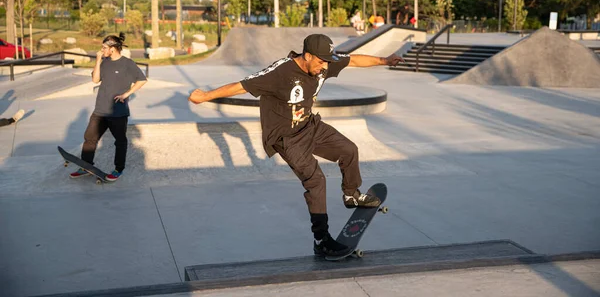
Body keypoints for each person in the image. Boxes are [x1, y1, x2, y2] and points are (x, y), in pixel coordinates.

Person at [188, 34, 405, 258]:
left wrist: (384, 60)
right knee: (316, 181)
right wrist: (205, 96)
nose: (324, 68)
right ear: (307, 56)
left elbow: (354, 60)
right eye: (320, 62)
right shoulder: (280, 72)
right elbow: (242, 86)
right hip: (286, 137)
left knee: (349, 150)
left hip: (310, 126)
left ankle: (351, 195)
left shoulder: (325, 63)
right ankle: (321, 240)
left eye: (327, 63)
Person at [70, 33, 147, 182]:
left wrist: (126, 94)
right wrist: (98, 60)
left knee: (120, 141)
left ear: (113, 49)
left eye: (104, 47)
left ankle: (118, 169)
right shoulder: (104, 61)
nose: (101, 49)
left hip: (118, 112)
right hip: (100, 109)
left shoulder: (127, 64)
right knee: (90, 138)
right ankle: (86, 165)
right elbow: (95, 79)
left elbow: (142, 80)